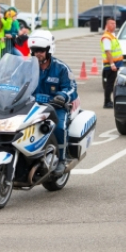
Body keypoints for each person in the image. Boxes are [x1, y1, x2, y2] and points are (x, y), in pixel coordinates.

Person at [29, 30, 77, 176]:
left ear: (49, 50)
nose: (38, 53)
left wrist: (62, 96)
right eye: (35, 50)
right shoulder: (27, 67)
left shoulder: (61, 68)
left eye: (41, 50)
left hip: (55, 107)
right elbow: (15, 82)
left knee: (59, 128)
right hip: (31, 106)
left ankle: (61, 160)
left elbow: (72, 88)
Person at [100, 17, 123, 109]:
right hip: (110, 65)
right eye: (111, 23)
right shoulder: (107, 37)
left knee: (111, 83)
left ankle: (109, 100)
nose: (114, 25)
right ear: (107, 25)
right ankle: (107, 102)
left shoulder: (111, 35)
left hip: (115, 64)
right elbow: (107, 51)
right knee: (109, 84)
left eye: (115, 23)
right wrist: (112, 64)